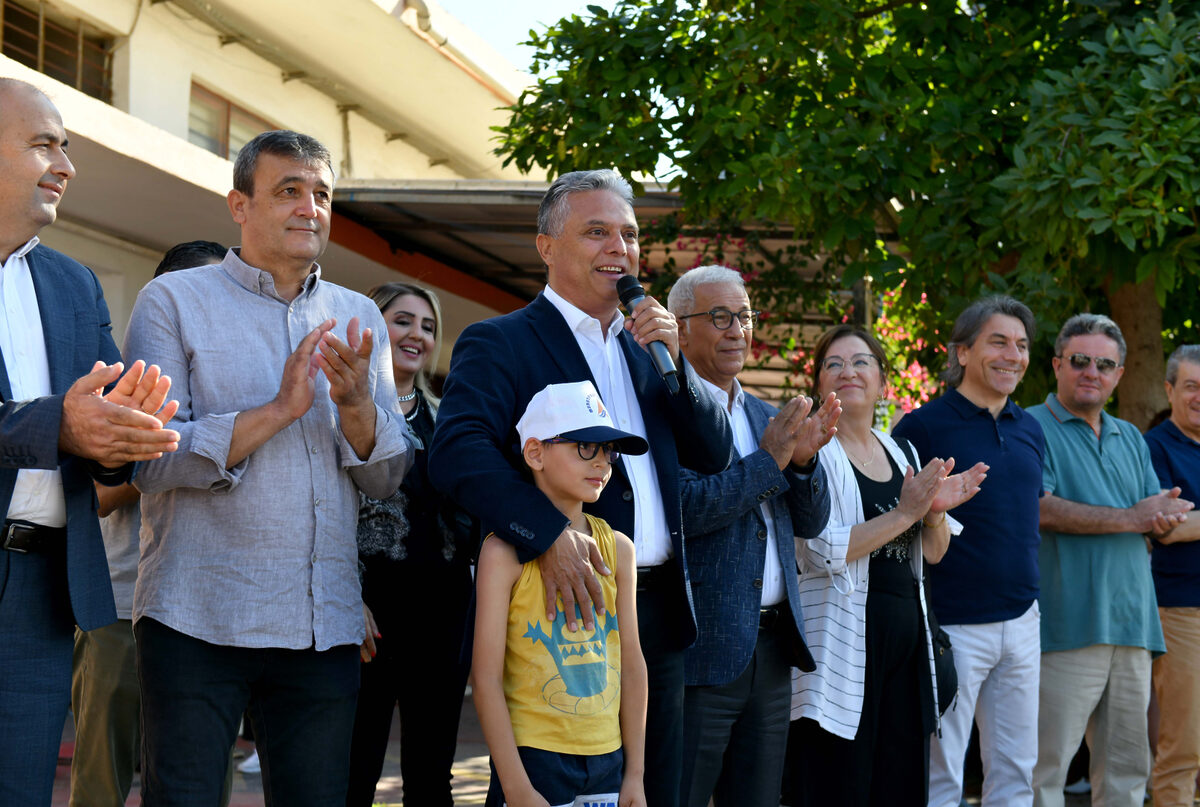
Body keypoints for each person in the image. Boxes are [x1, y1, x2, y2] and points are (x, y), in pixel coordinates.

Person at [125, 129, 415, 806]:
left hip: (321, 624)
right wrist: (280, 409)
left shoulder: (357, 314)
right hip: (195, 615)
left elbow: (386, 478)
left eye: (321, 194)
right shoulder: (172, 301)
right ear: (239, 204)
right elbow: (151, 459)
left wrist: (354, 410)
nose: (309, 208)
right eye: (289, 190)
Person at [429, 169, 733, 807]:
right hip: (558, 607)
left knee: (646, 795)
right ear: (546, 246)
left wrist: (679, 368)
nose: (617, 248)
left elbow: (713, 451)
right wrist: (546, 536)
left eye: (627, 234)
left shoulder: (647, 348)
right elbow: (457, 453)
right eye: (596, 232)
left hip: (655, 611)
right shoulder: (502, 341)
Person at [0, 77, 180, 805]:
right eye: (44, 143)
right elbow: (58, 421)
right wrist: (61, 424)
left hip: (41, 596)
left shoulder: (73, 284)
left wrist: (124, 430)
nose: (65, 165)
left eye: (66, 147)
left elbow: (95, 428)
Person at [787, 324, 986, 806]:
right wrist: (907, 513)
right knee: (841, 786)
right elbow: (817, 552)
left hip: (905, 649)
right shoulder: (813, 452)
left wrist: (934, 512)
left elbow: (933, 552)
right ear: (819, 384)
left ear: (882, 382)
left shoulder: (903, 451)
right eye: (833, 364)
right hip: (842, 648)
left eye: (860, 362)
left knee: (899, 787)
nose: (847, 371)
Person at [664, 265, 837, 807]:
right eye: (720, 317)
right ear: (680, 328)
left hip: (772, 650)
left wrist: (803, 465)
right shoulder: (665, 413)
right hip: (701, 652)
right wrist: (772, 460)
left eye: (744, 316)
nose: (737, 329)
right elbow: (687, 510)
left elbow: (810, 521)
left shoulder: (769, 414)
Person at [69, 240, 228, 807]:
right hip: (120, 605)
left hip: (210, 611)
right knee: (101, 780)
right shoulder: (122, 382)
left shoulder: (235, 386)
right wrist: (179, 456)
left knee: (200, 778)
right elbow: (99, 497)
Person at [1029, 314, 1192, 807]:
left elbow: (1151, 520)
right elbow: (1040, 509)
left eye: (1104, 364)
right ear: (1057, 365)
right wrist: (1136, 518)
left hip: (1133, 625)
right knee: (1045, 771)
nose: (1091, 372)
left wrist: (1162, 517)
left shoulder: (1131, 437)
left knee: (1127, 774)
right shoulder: (1030, 427)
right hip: (1063, 626)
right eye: (1079, 360)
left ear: (1119, 374)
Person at [892, 295, 1046, 807]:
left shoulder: (1030, 428)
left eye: (1022, 345)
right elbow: (901, 527)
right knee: (940, 777)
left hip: (1023, 620)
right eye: (998, 341)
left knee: (1016, 772)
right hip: (950, 625)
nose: (1013, 355)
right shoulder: (921, 427)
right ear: (962, 352)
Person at [474, 379, 648, 807]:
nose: (603, 463)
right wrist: (516, 788)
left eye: (609, 450)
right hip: (534, 763)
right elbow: (485, 678)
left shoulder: (620, 550)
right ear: (535, 453)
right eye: (585, 447)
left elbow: (632, 664)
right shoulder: (502, 553)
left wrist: (636, 775)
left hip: (608, 760)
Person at [346, 281, 475, 807]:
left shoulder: (450, 419)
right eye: (402, 320)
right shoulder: (341, 410)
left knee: (431, 776)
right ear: (373, 326)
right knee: (354, 770)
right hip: (365, 618)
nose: (416, 335)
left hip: (443, 615)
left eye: (427, 326)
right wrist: (344, 596)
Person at [1144, 344, 1200, 807]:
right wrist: (1184, 523)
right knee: (1183, 747)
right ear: (1170, 389)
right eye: (1191, 386)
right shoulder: (1156, 445)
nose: (1199, 396)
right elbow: (1167, 527)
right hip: (1183, 611)